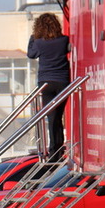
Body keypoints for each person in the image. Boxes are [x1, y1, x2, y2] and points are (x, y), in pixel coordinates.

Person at [27, 12, 71, 161]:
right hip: (63, 82)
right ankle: (57, 148)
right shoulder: (64, 40)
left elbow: (31, 55)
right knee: (57, 116)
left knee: (52, 118)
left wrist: (32, 38)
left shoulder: (38, 42)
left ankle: (54, 153)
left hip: (46, 83)